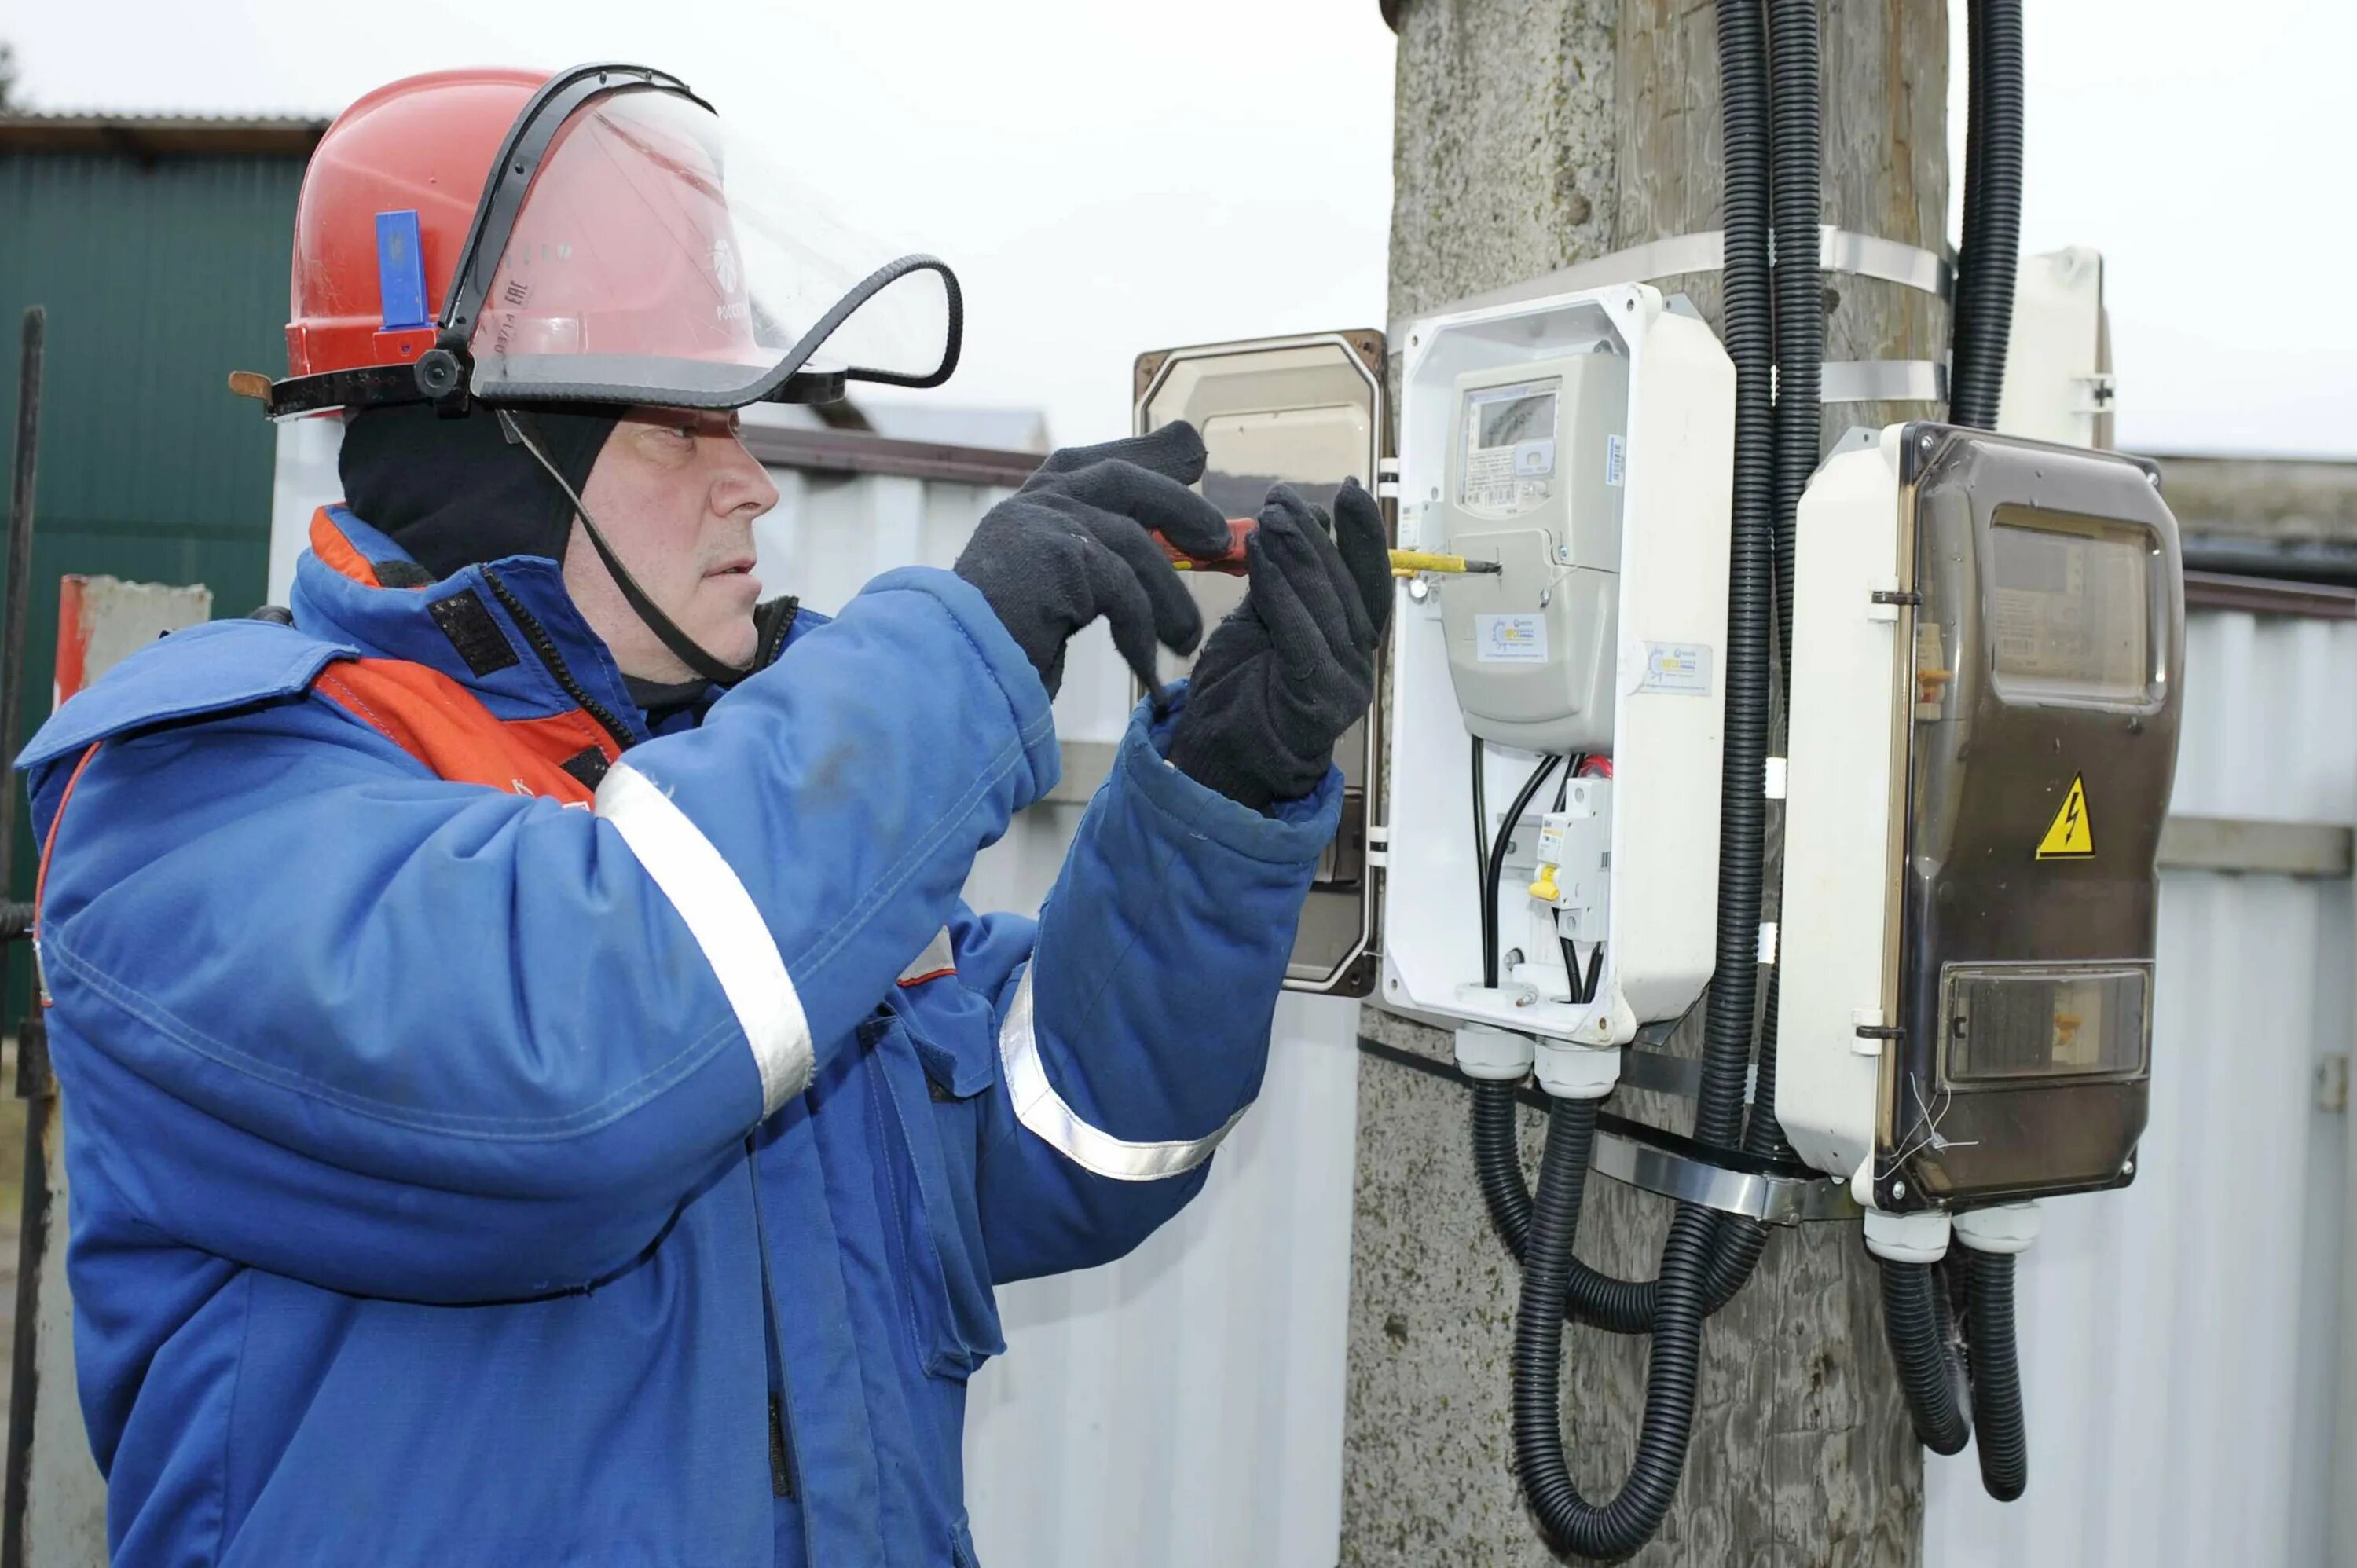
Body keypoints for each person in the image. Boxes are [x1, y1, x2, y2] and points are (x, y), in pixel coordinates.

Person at [13, 65, 1390, 1566]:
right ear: (492, 459)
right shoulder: (199, 802)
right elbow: (579, 1063)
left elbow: (1072, 1134)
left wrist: (1218, 791)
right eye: (682, 428)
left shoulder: (721, 839)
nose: (754, 485)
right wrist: (958, 640)